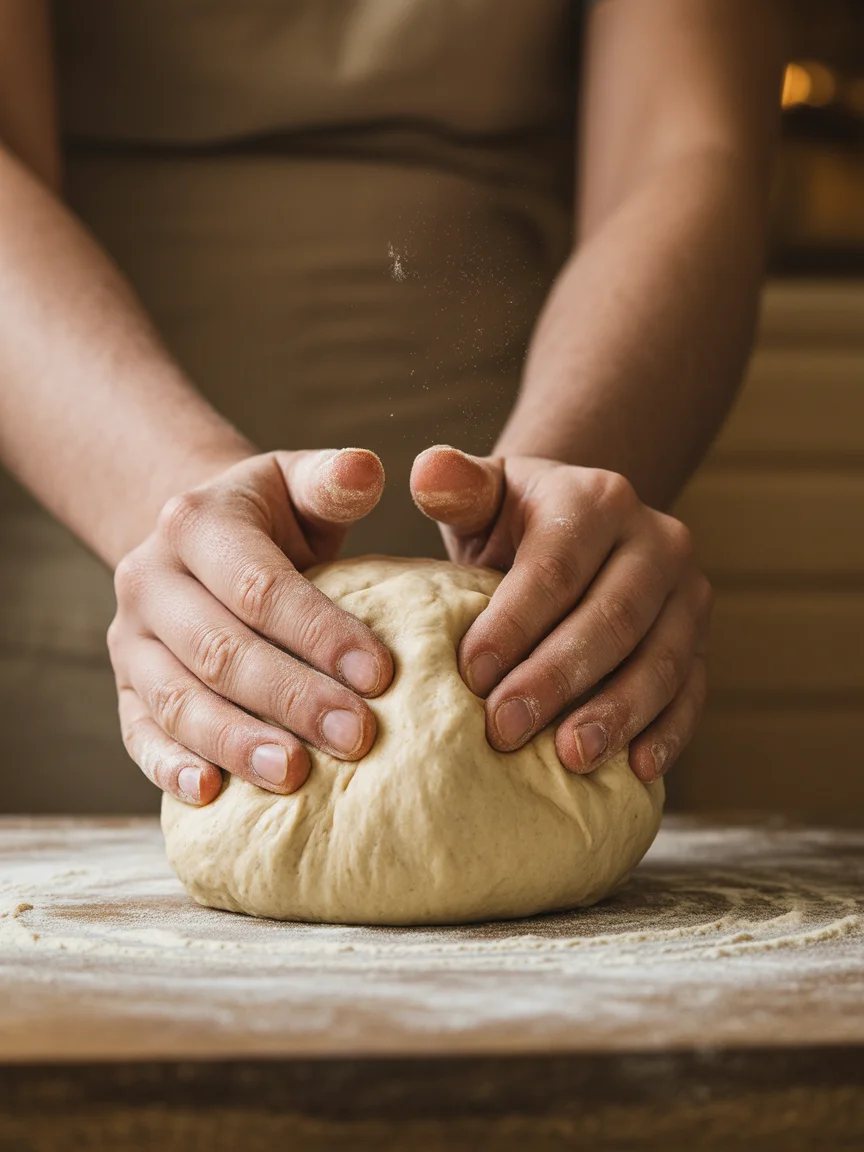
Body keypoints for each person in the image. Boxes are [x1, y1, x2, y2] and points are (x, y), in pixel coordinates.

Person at [0, 1, 785, 811]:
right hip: (100, 560)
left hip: (560, 663)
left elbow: (685, 147)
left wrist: (554, 518)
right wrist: (183, 521)